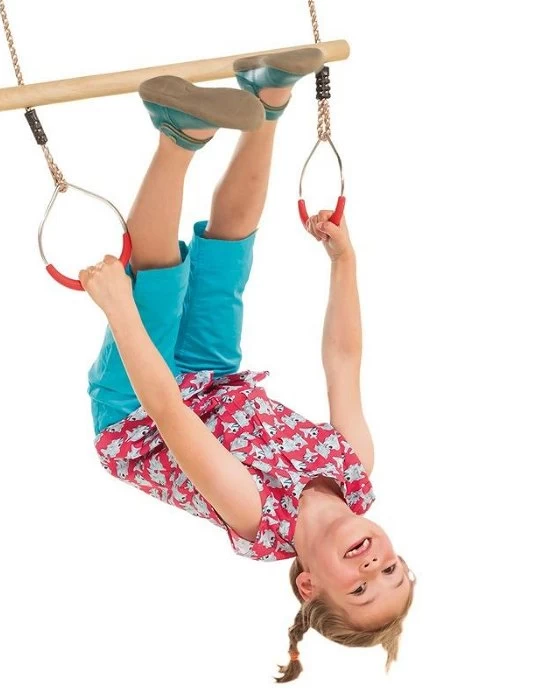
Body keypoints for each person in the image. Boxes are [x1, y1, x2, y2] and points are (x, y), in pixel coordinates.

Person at [82, 48, 415, 682]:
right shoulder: (354, 467)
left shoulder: (255, 515)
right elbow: (344, 359)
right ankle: (267, 100)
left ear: (309, 584)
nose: (374, 567)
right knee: (228, 253)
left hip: (137, 417)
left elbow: (168, 412)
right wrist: (344, 261)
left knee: (156, 285)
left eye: (360, 588)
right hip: (217, 381)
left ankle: (177, 137)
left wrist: (120, 309)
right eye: (391, 571)